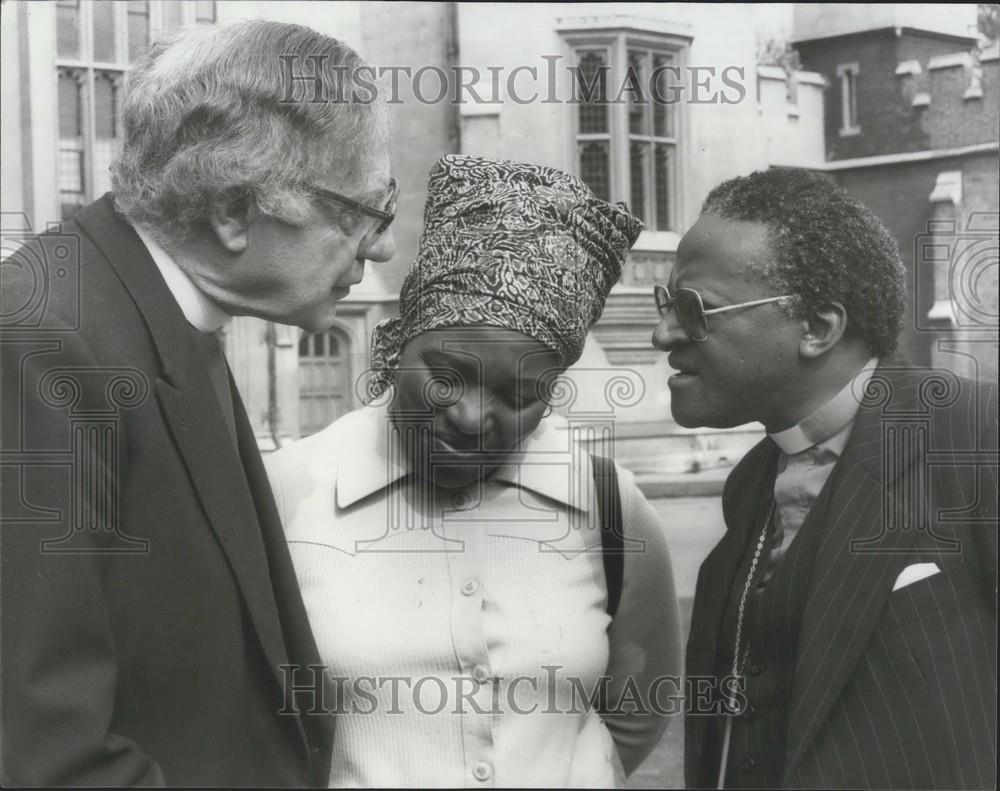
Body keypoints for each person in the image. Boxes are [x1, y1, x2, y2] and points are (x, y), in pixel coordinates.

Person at [1, 20, 395, 786]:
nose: (380, 246)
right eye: (360, 211)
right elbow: (46, 752)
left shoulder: (160, 310)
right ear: (234, 212)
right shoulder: (38, 342)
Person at [265, 154, 682, 788]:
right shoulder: (288, 492)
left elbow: (637, 708)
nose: (468, 417)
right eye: (447, 375)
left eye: (518, 396)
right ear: (400, 343)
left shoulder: (605, 503)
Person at [652, 168, 997, 789]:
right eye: (666, 303)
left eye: (695, 308)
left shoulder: (977, 438)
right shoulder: (751, 483)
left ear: (816, 328)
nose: (663, 334)